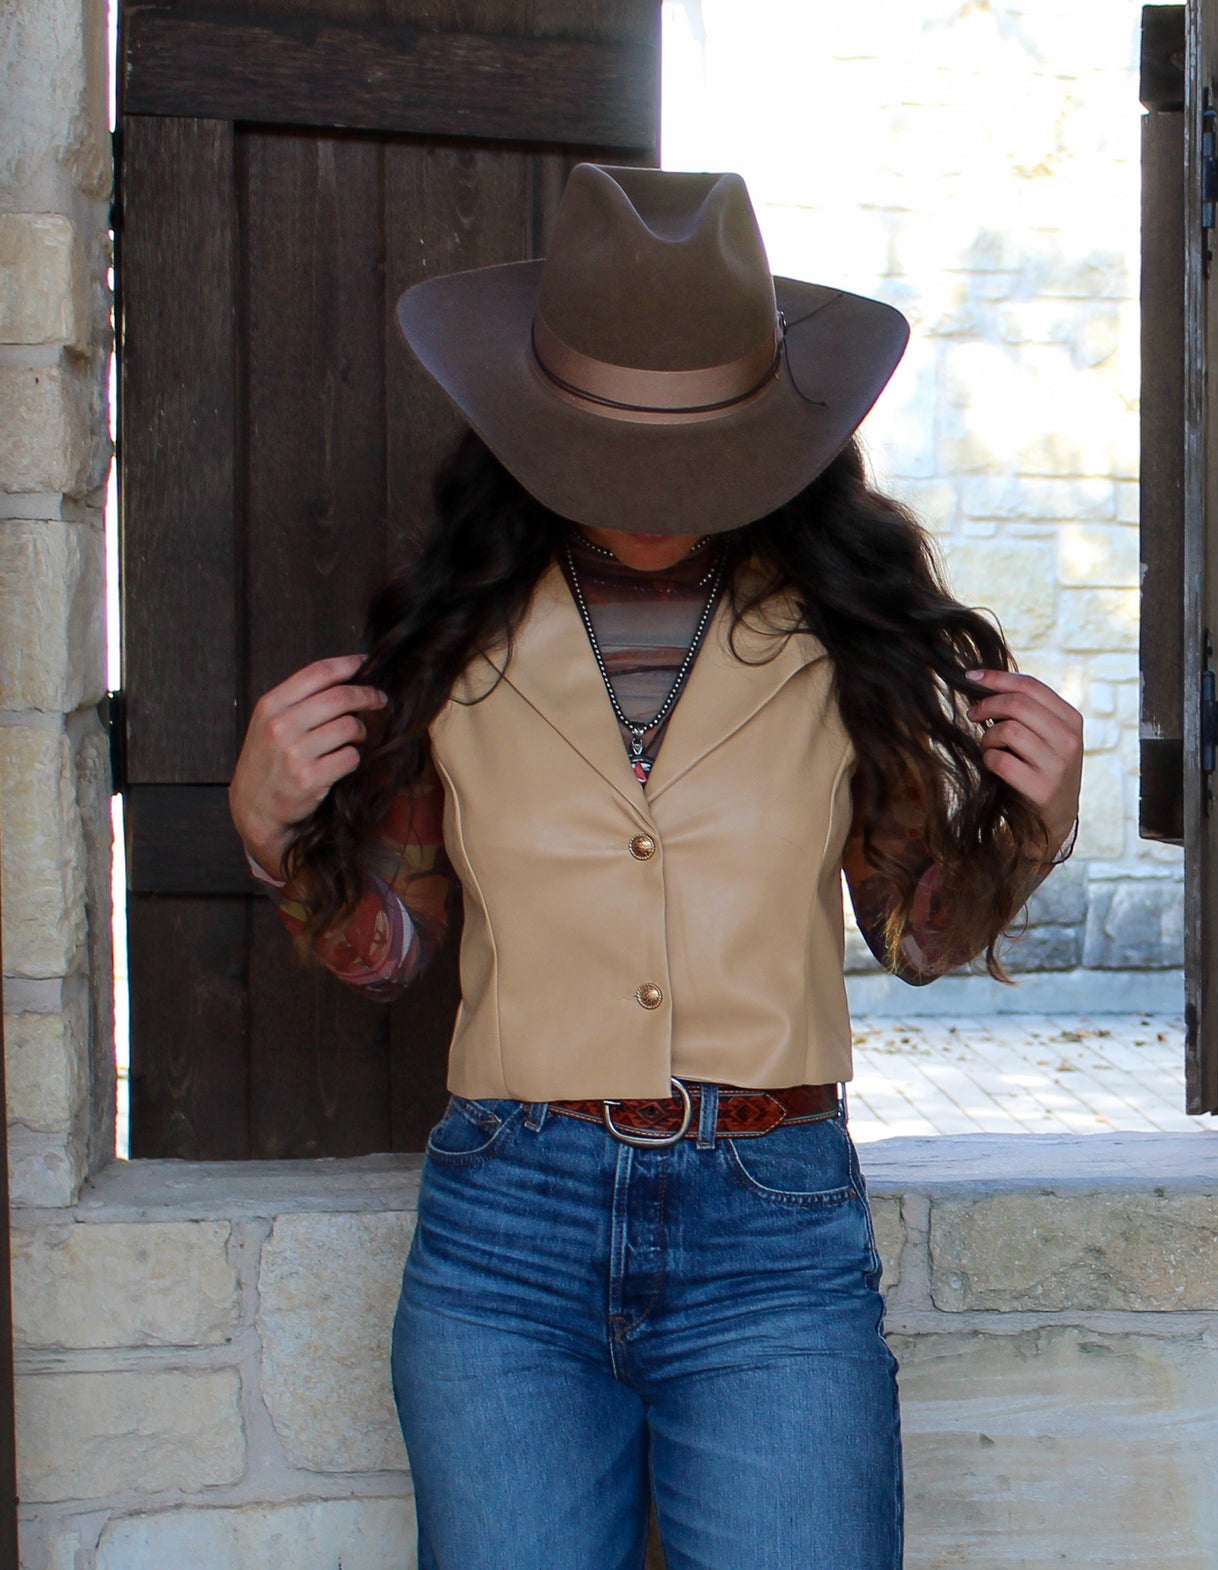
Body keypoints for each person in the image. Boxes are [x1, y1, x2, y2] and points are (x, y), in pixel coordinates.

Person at [228, 164, 1083, 1570]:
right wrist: (274, 835)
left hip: (773, 1229)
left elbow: (912, 936)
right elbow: (392, 948)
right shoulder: (455, 641)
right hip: (506, 1227)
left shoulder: (842, 639)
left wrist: (1027, 825)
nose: (649, 492)